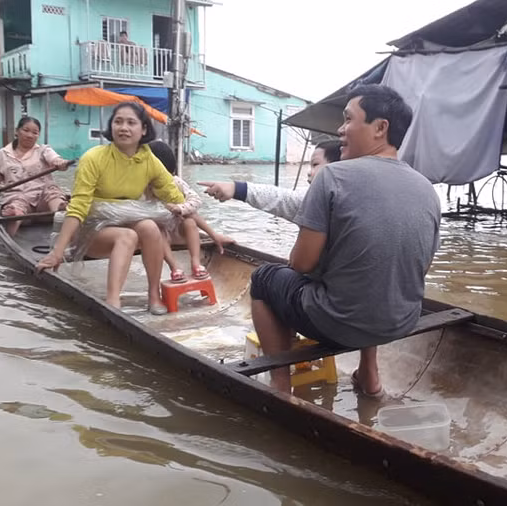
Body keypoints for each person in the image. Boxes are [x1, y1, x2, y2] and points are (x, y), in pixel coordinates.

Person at [249, 85, 439, 395]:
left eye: (348, 119)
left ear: (380, 128)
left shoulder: (332, 176)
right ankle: (369, 374)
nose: (340, 129)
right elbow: (421, 266)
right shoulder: (426, 188)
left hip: (335, 323)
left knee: (263, 278)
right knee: (370, 274)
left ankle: (280, 383)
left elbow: (301, 264)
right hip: (401, 321)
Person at [35, 102, 185, 315]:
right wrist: (58, 251)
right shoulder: (94, 158)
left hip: (126, 224)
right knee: (127, 236)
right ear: (111, 126)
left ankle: (154, 295)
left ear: (143, 129)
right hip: (91, 232)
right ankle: (113, 301)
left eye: (131, 123)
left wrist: (203, 228)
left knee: (150, 227)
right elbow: (78, 207)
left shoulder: (149, 160)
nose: (124, 128)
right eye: (118, 122)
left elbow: (177, 197)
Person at [147, 140, 234, 282]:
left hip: (179, 232)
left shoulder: (175, 182)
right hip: (158, 235)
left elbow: (196, 200)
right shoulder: (143, 187)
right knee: (158, 229)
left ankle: (196, 263)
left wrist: (179, 208)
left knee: (190, 221)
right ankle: (175, 268)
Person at [198, 140, 341, 222]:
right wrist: (236, 189)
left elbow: (282, 199)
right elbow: (284, 198)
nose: (309, 172)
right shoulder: (317, 196)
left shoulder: (318, 200)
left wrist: (236, 189)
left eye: (315, 165)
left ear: (337, 167)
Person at [0, 117, 74, 236]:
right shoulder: (2, 154)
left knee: (52, 191)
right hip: (18, 199)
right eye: (26, 130)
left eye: (35, 133)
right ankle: (11, 233)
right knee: (15, 206)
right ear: (17, 131)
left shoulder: (44, 150)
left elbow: (55, 159)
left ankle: (61, 213)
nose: (30, 135)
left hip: (44, 203)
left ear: (38, 135)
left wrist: (60, 163)